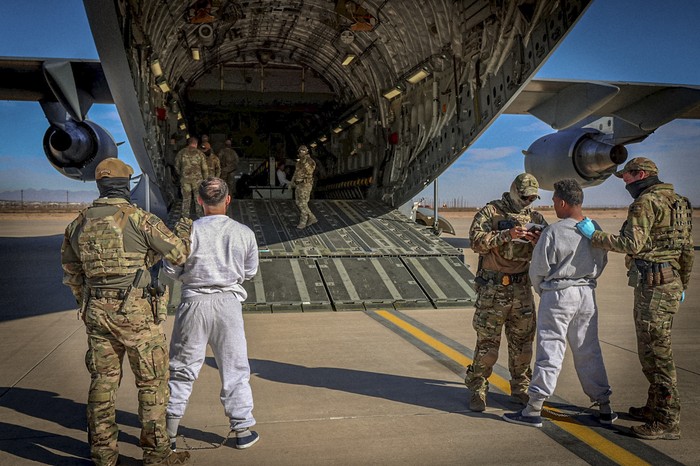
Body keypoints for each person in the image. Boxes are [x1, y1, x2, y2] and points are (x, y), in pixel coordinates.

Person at [61, 158, 191, 466]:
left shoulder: (77, 223)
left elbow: (71, 272)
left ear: (100, 185)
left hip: (96, 312)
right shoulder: (139, 219)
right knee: (152, 382)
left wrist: (88, 301)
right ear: (125, 186)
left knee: (103, 382)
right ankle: (157, 455)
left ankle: (103, 454)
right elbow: (179, 253)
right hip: (136, 314)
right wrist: (184, 228)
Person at [577, 157, 693, 440]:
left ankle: (667, 421)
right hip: (670, 283)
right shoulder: (680, 202)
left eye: (627, 178)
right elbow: (687, 249)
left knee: (656, 354)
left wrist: (595, 235)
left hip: (653, 289)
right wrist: (683, 284)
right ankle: (655, 406)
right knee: (654, 350)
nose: (625, 183)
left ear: (640, 174)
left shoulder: (645, 203)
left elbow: (631, 244)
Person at [502, 179, 616, 428]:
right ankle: (604, 406)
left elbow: (538, 270)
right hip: (586, 294)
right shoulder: (593, 228)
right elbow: (602, 261)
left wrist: (545, 291)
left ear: (563, 202)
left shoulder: (553, 232)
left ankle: (533, 408)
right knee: (589, 349)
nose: (553, 206)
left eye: (554, 201)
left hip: (559, 294)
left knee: (550, 351)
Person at [163, 177, 260, 450]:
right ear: (228, 200)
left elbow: (170, 270)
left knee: (182, 369)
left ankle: (169, 431)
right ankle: (242, 430)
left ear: (200, 201)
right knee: (235, 368)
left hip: (193, 303)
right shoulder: (244, 233)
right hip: (228, 305)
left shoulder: (187, 232)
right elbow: (250, 272)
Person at [465, 173, 547, 411]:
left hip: (521, 290)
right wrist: (507, 235)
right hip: (493, 289)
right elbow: (476, 241)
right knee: (487, 345)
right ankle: (478, 388)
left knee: (523, 344)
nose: (528, 201)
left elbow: (549, 250)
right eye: (524, 196)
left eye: (532, 198)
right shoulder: (491, 212)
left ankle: (521, 388)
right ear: (513, 191)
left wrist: (537, 240)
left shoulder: (535, 217)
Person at [175, 137, 209, 219]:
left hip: (185, 180)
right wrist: (205, 180)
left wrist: (182, 175)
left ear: (188, 143)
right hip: (197, 181)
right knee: (198, 199)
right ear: (196, 144)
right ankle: (200, 217)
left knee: (186, 199)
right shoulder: (200, 153)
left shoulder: (181, 153)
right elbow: (204, 168)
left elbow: (176, 166)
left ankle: (184, 218)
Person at [290, 144, 317, 229]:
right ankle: (312, 217)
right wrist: (291, 183)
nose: (301, 152)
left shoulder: (310, 161)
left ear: (306, 152)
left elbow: (310, 171)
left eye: (303, 150)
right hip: (298, 185)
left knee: (303, 204)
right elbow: (295, 173)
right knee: (298, 203)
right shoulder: (298, 162)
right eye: (300, 150)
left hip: (306, 185)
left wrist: (305, 162)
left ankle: (303, 222)